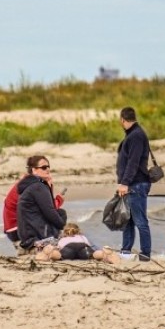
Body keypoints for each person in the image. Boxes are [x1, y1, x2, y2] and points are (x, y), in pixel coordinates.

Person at [116, 106, 152, 261]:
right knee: (128, 220)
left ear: (122, 119)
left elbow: (133, 162)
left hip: (136, 184)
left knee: (140, 221)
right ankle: (125, 252)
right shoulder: (133, 134)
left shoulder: (136, 135)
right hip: (131, 184)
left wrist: (124, 183)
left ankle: (145, 254)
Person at [16, 155, 66, 251]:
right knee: (70, 242)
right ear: (34, 170)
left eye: (48, 167)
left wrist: (49, 186)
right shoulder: (38, 187)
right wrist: (64, 226)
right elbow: (50, 211)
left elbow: (50, 208)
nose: (47, 169)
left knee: (60, 213)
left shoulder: (31, 185)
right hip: (36, 238)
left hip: (27, 237)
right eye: (43, 167)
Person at [36, 223, 121, 264]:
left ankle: (49, 254)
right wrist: (98, 250)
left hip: (68, 249)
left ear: (65, 232)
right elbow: (92, 246)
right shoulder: (83, 237)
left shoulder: (63, 238)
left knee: (58, 254)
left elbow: (58, 247)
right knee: (93, 254)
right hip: (84, 249)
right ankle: (104, 254)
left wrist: (50, 248)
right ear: (78, 231)